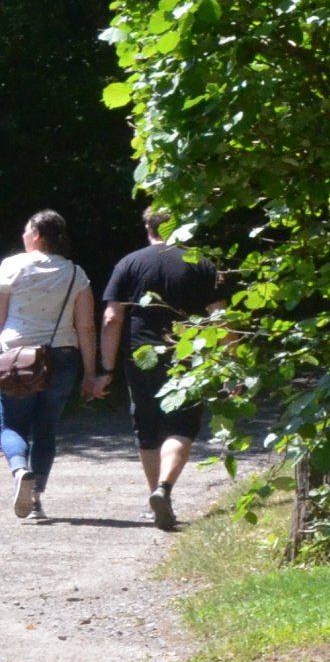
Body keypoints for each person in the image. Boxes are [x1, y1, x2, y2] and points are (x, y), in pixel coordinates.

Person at [102, 205, 223, 531]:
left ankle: (154, 496)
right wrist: (230, 361)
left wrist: (104, 369)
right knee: (181, 425)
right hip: (189, 355)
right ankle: (164, 489)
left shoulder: (129, 263)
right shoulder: (200, 262)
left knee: (147, 425)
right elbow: (220, 317)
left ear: (147, 228)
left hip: (141, 356)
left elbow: (112, 319)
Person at [0, 210, 108, 522]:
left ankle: (20, 469)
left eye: (25, 230)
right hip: (61, 357)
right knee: (46, 428)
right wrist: (90, 372)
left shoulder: (11, 267)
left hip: (15, 358)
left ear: (36, 235)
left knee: (10, 426)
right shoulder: (75, 273)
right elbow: (86, 327)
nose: (22, 235)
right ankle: (35, 501)